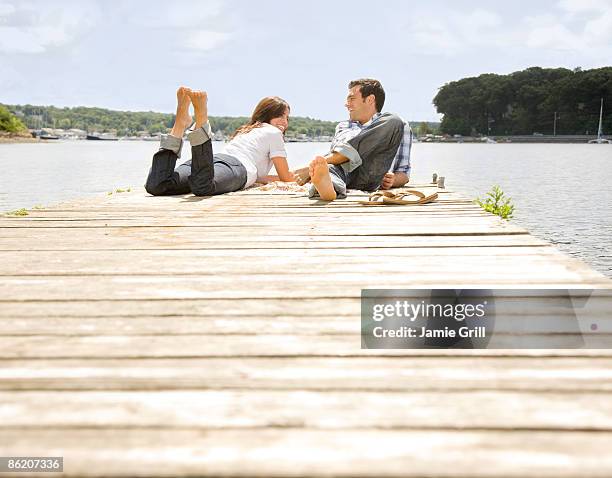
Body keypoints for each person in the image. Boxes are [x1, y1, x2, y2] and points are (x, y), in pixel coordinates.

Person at [145, 87, 293, 197]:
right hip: (235, 166)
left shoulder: (246, 130)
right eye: (280, 115)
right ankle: (202, 119)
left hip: (212, 161)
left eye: (287, 118)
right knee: (203, 187)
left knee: (158, 185)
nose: (284, 122)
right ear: (267, 114)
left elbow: (260, 177)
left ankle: (180, 124)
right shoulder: (275, 133)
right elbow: (286, 178)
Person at [294, 78, 412, 201]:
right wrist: (321, 166)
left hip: (372, 174)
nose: (346, 104)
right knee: (332, 169)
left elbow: (404, 173)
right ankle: (329, 189)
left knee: (394, 120)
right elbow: (338, 158)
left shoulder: (397, 125)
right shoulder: (344, 126)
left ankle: (325, 181)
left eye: (352, 98)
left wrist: (394, 180)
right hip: (345, 174)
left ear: (370, 99)